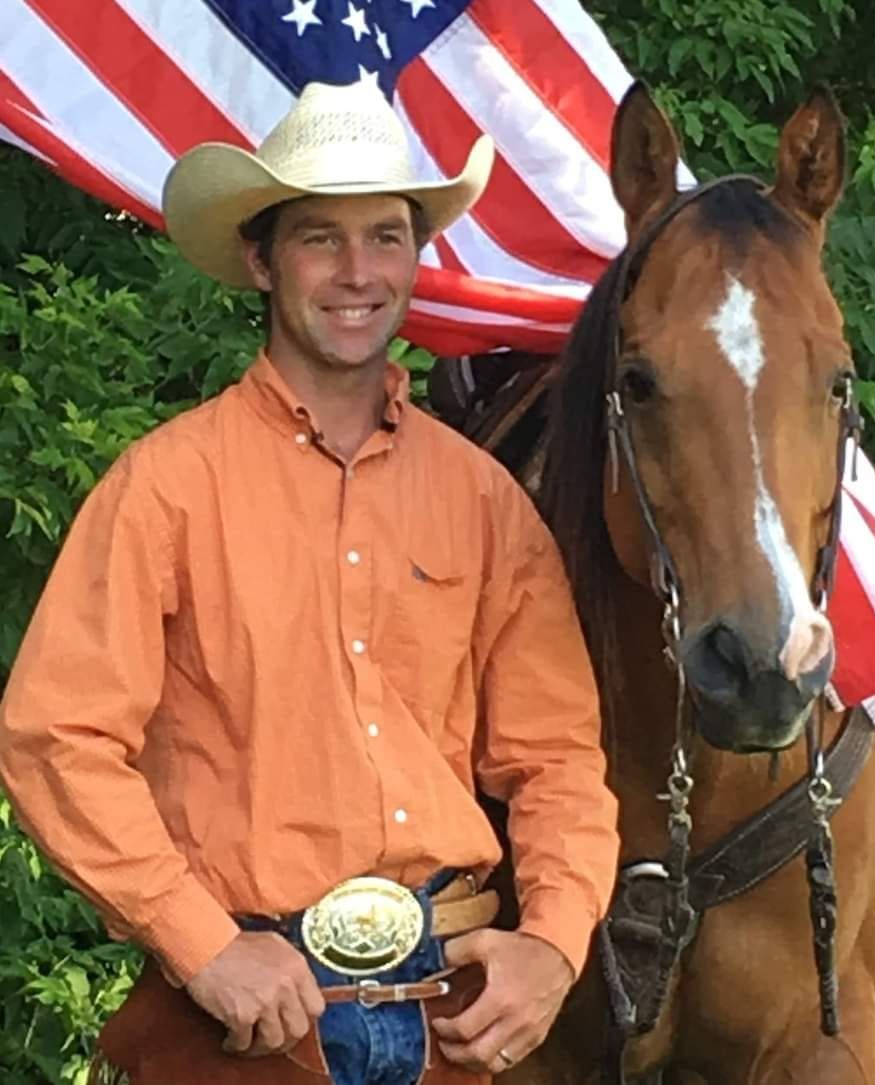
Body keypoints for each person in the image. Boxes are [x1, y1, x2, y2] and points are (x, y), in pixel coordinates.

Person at [0, 79, 619, 1085]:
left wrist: (551, 941)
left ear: (416, 256)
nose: (357, 271)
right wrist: (199, 939)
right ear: (260, 256)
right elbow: (54, 735)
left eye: (385, 235)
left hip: (452, 1018)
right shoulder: (166, 487)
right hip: (243, 1017)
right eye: (319, 238)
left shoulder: (483, 501)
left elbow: (554, 757)